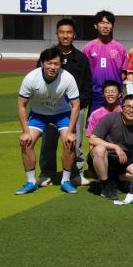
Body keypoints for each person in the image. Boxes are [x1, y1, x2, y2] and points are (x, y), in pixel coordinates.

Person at [15, 47, 81, 195]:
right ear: (42, 63)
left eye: (56, 64)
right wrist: (25, 132)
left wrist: (70, 132)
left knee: (69, 142)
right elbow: (21, 105)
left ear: (61, 65)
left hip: (62, 114)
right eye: (49, 63)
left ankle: (65, 181)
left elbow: (76, 106)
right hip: (39, 115)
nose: (53, 67)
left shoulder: (67, 78)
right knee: (26, 142)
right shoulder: (31, 78)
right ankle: (31, 182)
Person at [40, 18, 92, 188]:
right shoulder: (48, 55)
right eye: (62, 32)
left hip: (73, 110)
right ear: (57, 34)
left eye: (69, 32)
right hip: (50, 108)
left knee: (74, 143)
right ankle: (47, 174)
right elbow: (39, 79)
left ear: (74, 35)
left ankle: (76, 173)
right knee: (48, 143)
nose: (65, 35)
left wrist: (78, 105)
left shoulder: (81, 58)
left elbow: (87, 87)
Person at [89, 94, 133, 201]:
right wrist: (115, 147)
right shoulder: (111, 118)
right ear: (122, 108)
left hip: (121, 161)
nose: (131, 110)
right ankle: (106, 186)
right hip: (102, 157)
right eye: (128, 106)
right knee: (100, 149)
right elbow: (93, 139)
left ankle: (115, 180)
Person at [82, 10, 127, 114]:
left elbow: (124, 73)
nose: (105, 26)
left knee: (116, 122)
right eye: (102, 23)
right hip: (95, 94)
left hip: (115, 95)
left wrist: (114, 87)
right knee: (95, 122)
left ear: (112, 26)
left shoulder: (120, 48)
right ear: (96, 25)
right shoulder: (88, 48)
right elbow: (84, 72)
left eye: (108, 23)